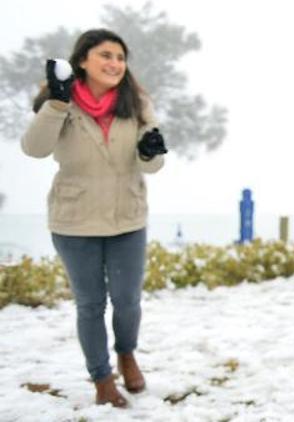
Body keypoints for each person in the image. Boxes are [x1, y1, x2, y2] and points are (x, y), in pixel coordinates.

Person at [21, 29, 168, 408]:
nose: (115, 64)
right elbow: (34, 149)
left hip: (126, 219)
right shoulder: (61, 102)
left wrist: (151, 152)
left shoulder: (135, 102)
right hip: (75, 222)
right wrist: (56, 103)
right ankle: (102, 378)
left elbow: (150, 165)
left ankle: (127, 354)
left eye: (120, 57)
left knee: (128, 300)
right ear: (83, 60)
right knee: (90, 305)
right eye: (106, 55)